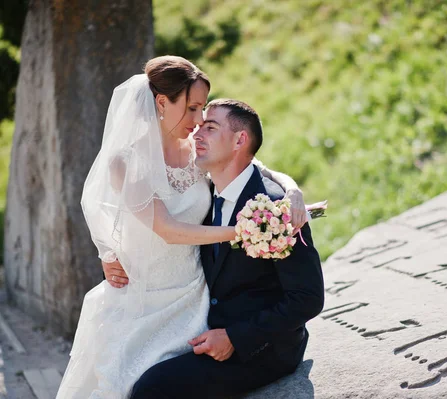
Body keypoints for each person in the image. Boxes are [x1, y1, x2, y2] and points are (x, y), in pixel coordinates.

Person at [56, 56, 307, 398]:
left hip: (196, 295)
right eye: (192, 108)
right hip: (146, 302)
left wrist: (292, 190)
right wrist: (245, 231)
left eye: (202, 108)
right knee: (126, 384)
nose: (200, 119)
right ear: (162, 102)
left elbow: (255, 164)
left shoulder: (196, 151)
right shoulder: (126, 161)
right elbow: (168, 229)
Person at [130, 99, 324, 398]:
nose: (197, 134)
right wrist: (113, 257)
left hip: (263, 348)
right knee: (131, 361)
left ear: (240, 140)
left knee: (151, 388)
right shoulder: (204, 195)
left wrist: (235, 337)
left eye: (210, 127)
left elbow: (308, 298)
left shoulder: (274, 209)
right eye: (198, 126)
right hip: (205, 325)